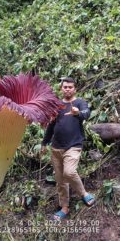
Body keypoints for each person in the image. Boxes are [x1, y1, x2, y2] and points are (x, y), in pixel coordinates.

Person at [41, 77, 95, 220]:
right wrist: (44, 143)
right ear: (61, 89)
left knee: (69, 172)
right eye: (65, 87)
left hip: (73, 146)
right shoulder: (57, 105)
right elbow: (51, 126)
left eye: (70, 87)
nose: (67, 89)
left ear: (74, 89)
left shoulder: (79, 102)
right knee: (60, 180)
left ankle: (84, 194)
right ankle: (64, 207)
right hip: (56, 148)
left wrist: (78, 113)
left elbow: (86, 114)